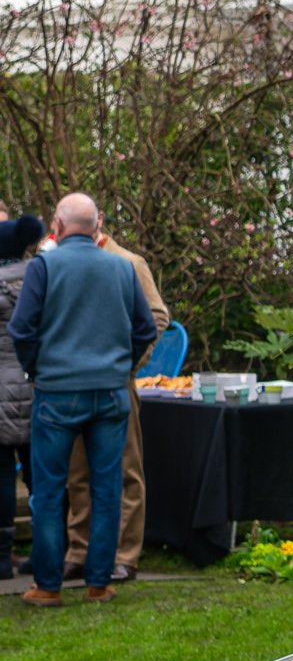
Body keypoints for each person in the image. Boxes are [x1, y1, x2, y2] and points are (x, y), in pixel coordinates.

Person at [7, 193, 156, 605]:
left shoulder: (45, 266)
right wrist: (120, 367)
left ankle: (49, 586)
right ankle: (98, 583)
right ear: (96, 225)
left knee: (50, 492)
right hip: (110, 392)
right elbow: (147, 327)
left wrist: (37, 368)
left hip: (56, 392)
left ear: (57, 223)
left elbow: (21, 328)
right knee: (108, 489)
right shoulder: (121, 268)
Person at [64, 212, 170, 584]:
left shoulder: (129, 263)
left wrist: (127, 364)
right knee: (78, 473)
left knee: (125, 471)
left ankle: (125, 556)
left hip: (116, 382)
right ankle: (79, 550)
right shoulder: (64, 262)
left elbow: (158, 317)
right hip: (73, 383)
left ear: (98, 223)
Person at [0, 214, 46, 579]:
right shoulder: (41, 276)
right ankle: (46, 551)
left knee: (0, 477)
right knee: (39, 474)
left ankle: (1, 557)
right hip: (35, 388)